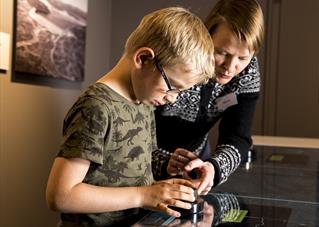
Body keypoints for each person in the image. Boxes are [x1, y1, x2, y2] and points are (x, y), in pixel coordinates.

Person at [45, 7, 215, 226]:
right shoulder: (96, 108)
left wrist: (168, 164)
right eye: (172, 87)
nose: (172, 99)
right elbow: (60, 195)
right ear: (143, 58)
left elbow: (138, 158)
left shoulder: (142, 100)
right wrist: (143, 196)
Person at [152, 0, 264, 195]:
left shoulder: (248, 73)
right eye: (221, 52)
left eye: (242, 58)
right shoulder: (180, 53)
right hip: (145, 155)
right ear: (206, 35)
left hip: (195, 157)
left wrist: (214, 167)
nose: (230, 67)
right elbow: (133, 130)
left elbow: (237, 137)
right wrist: (163, 162)